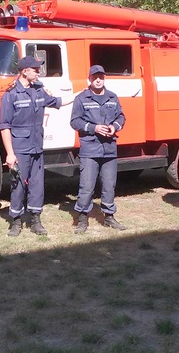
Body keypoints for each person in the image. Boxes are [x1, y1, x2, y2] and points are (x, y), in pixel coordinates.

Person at [0, 56, 68, 237]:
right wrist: (10, 154)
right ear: (24, 71)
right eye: (35, 69)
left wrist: (81, 94)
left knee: (37, 186)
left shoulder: (38, 91)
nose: (39, 72)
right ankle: (16, 221)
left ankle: (35, 220)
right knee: (18, 185)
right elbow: (5, 126)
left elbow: (58, 102)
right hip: (20, 148)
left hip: (37, 147)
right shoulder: (10, 94)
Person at [70, 65, 126, 233]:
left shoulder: (112, 97)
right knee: (87, 186)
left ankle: (109, 216)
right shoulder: (81, 98)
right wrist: (93, 128)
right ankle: (82, 219)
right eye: (95, 77)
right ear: (89, 79)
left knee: (109, 185)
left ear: (104, 78)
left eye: (101, 77)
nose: (98, 80)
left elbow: (121, 117)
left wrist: (114, 127)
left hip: (109, 148)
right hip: (90, 148)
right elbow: (74, 122)